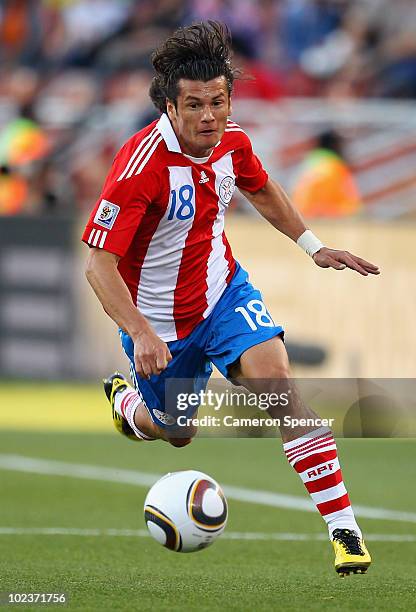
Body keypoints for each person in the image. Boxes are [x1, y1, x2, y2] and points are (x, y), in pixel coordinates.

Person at [82, 21, 379, 576]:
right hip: (161, 324)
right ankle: (130, 407)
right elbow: (98, 264)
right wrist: (143, 333)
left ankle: (345, 532)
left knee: (279, 390)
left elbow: (261, 186)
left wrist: (311, 245)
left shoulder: (232, 142)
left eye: (218, 102)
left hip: (223, 295)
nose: (209, 117)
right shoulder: (139, 168)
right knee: (176, 432)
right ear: (169, 107)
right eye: (194, 105)